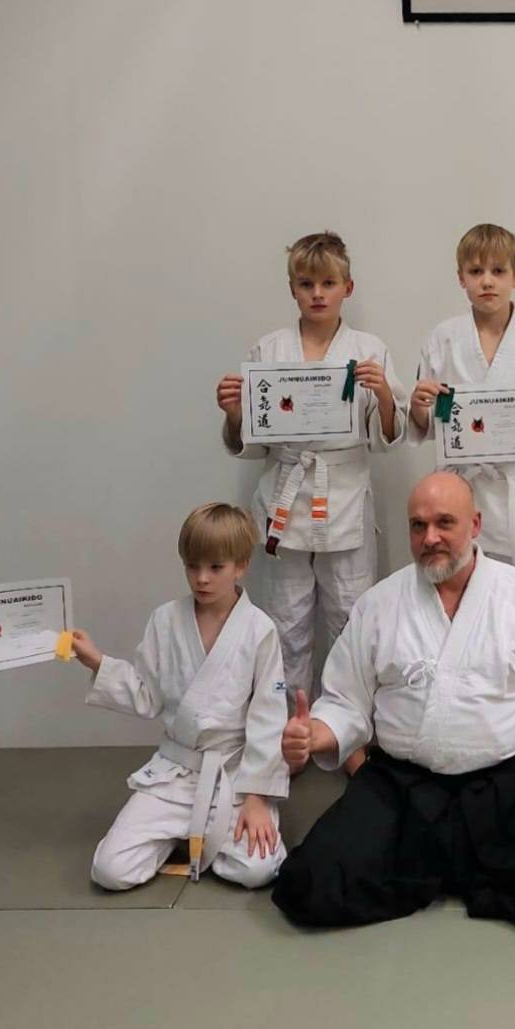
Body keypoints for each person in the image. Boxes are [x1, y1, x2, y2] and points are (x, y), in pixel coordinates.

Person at [271, 472, 515, 948]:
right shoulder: (379, 604)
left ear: (475, 525)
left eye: (444, 523)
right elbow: (345, 702)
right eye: (418, 526)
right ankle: (476, 872)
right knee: (306, 884)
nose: (429, 537)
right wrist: (316, 734)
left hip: (504, 786)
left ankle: (434, 871)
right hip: (402, 787)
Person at [215, 232, 408, 704]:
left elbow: (387, 438)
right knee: (285, 622)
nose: (318, 293)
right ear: (292, 289)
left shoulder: (369, 349)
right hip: (285, 496)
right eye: (306, 284)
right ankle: (288, 725)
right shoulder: (268, 350)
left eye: (328, 283)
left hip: (345, 495)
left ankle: (346, 726)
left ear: (348, 287)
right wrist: (235, 412)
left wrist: (384, 393)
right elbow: (252, 442)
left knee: (350, 618)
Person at [70, 503, 289, 891]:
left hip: (233, 776)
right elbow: (146, 694)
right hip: (175, 772)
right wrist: (96, 661)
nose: (201, 578)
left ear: (241, 565)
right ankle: (190, 835)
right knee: (110, 870)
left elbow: (268, 718)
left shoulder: (259, 630)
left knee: (257, 869)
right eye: (192, 566)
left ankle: (202, 834)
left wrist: (257, 797)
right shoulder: (165, 620)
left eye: (216, 567)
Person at [408, 223, 515, 595]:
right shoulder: (443, 337)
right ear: (461, 278)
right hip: (459, 490)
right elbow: (426, 426)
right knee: (457, 594)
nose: (487, 281)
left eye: (498, 271)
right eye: (476, 271)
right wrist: (419, 406)